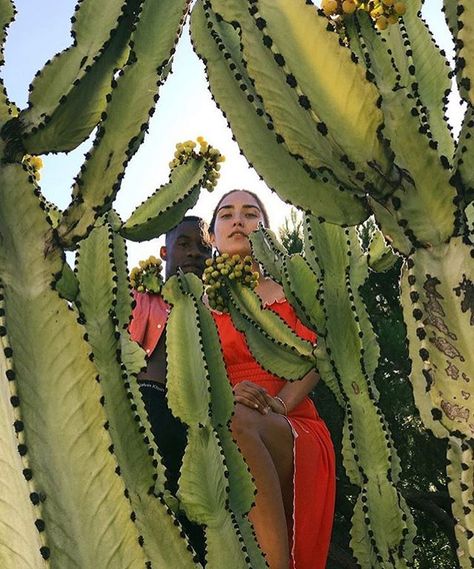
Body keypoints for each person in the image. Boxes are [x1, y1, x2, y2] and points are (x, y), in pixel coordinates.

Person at [208, 190, 335, 569]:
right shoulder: (195, 306)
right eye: (226, 215)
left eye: (250, 213)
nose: (238, 221)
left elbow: (315, 360)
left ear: (265, 230)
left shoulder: (291, 290)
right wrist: (226, 395)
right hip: (222, 421)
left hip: (292, 419)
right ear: (211, 235)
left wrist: (277, 404)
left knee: (239, 421)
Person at [129, 216, 212, 562]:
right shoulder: (138, 297)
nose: (195, 253)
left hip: (197, 418)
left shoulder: (213, 310)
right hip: (145, 399)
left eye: (204, 248)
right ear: (164, 251)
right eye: (184, 244)